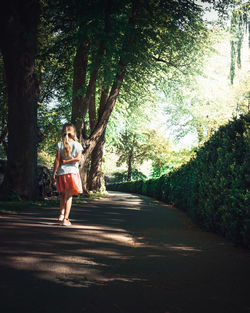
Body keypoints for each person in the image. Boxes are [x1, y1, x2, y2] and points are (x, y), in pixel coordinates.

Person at [51, 123, 83, 226]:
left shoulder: (59, 144)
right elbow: (78, 158)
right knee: (69, 196)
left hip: (61, 173)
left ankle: (61, 214)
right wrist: (67, 162)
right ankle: (66, 219)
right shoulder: (78, 145)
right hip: (72, 173)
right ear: (73, 133)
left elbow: (56, 160)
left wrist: (53, 173)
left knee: (63, 195)